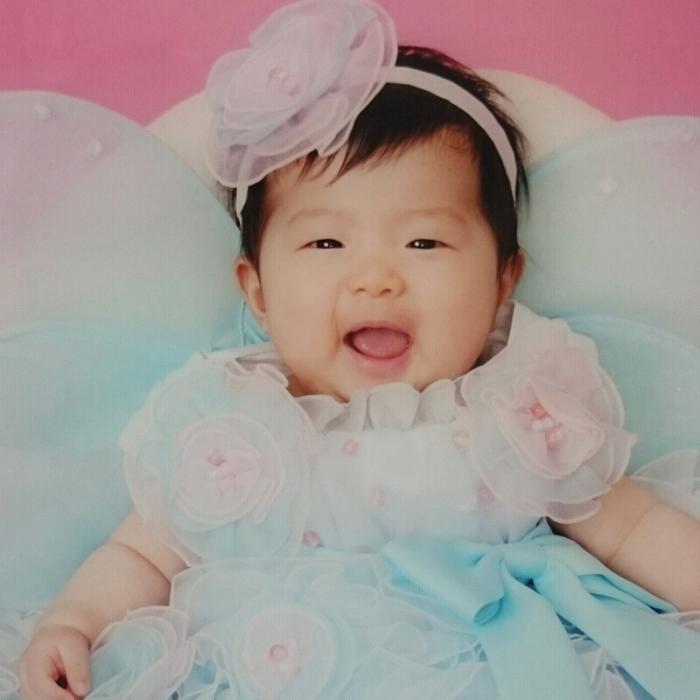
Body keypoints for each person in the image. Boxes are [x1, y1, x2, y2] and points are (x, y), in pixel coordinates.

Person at [17, 1, 700, 698]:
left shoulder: (521, 415)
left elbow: (634, 527)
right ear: (257, 290)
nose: (375, 278)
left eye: (424, 242)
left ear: (504, 280)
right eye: (326, 242)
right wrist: (71, 622)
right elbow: (139, 554)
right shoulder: (233, 435)